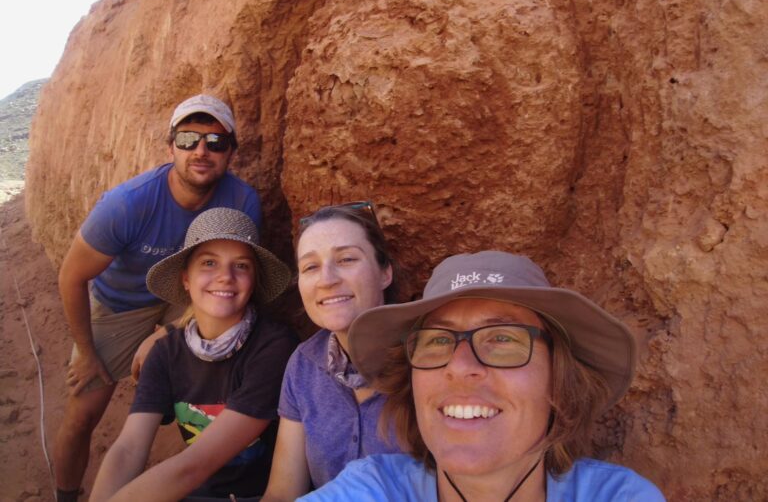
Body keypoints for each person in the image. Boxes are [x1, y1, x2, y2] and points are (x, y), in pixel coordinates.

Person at [301, 251, 666, 501]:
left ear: (559, 381)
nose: (459, 367)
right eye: (438, 340)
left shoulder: (618, 496)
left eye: (503, 339)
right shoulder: (375, 488)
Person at [54, 94, 262, 502]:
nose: (201, 151)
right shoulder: (127, 204)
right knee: (82, 413)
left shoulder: (241, 201)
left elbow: (235, 279)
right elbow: (71, 277)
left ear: (231, 153)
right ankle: (65, 494)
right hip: (120, 304)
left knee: (220, 344)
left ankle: (206, 458)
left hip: (187, 298)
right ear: (171, 148)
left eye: (216, 142)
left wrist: (165, 333)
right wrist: (87, 350)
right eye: (188, 139)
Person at [90, 207, 297, 501]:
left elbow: (194, 466)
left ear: (254, 281)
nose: (225, 276)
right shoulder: (165, 353)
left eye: (241, 266)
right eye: (209, 263)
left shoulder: (273, 347)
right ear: (186, 279)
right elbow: (128, 448)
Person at [261, 201, 403, 501]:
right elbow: (283, 491)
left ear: (385, 273)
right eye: (311, 266)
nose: (327, 279)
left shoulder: (430, 364)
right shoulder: (303, 365)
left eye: (347, 259)